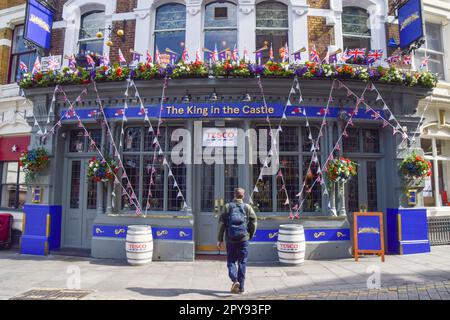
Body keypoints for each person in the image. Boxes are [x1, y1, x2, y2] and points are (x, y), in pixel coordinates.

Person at [217, 188, 257, 294]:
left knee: (231, 261)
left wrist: (219, 239)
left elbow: (221, 224)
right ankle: (241, 287)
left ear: (234, 195)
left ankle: (234, 280)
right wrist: (250, 235)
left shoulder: (227, 206)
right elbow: (254, 222)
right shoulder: (247, 207)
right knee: (242, 262)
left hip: (231, 239)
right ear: (243, 196)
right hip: (243, 239)